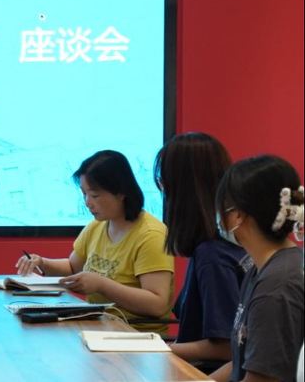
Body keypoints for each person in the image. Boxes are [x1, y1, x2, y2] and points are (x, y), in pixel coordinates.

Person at [16, 150, 174, 333]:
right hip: (98, 327)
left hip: (134, 334)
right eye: (84, 194)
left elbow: (156, 305)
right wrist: (42, 262)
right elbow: (73, 267)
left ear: (121, 192)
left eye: (94, 195)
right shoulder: (98, 225)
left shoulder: (151, 234)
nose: (87, 203)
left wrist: (101, 285)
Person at [154, 133, 251, 364]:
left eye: (164, 182)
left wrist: (158, 350)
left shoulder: (212, 254)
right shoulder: (234, 241)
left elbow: (227, 348)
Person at [210, 156, 304, 382]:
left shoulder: (276, 285)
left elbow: (262, 378)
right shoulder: (261, 267)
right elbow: (242, 363)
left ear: (237, 214)